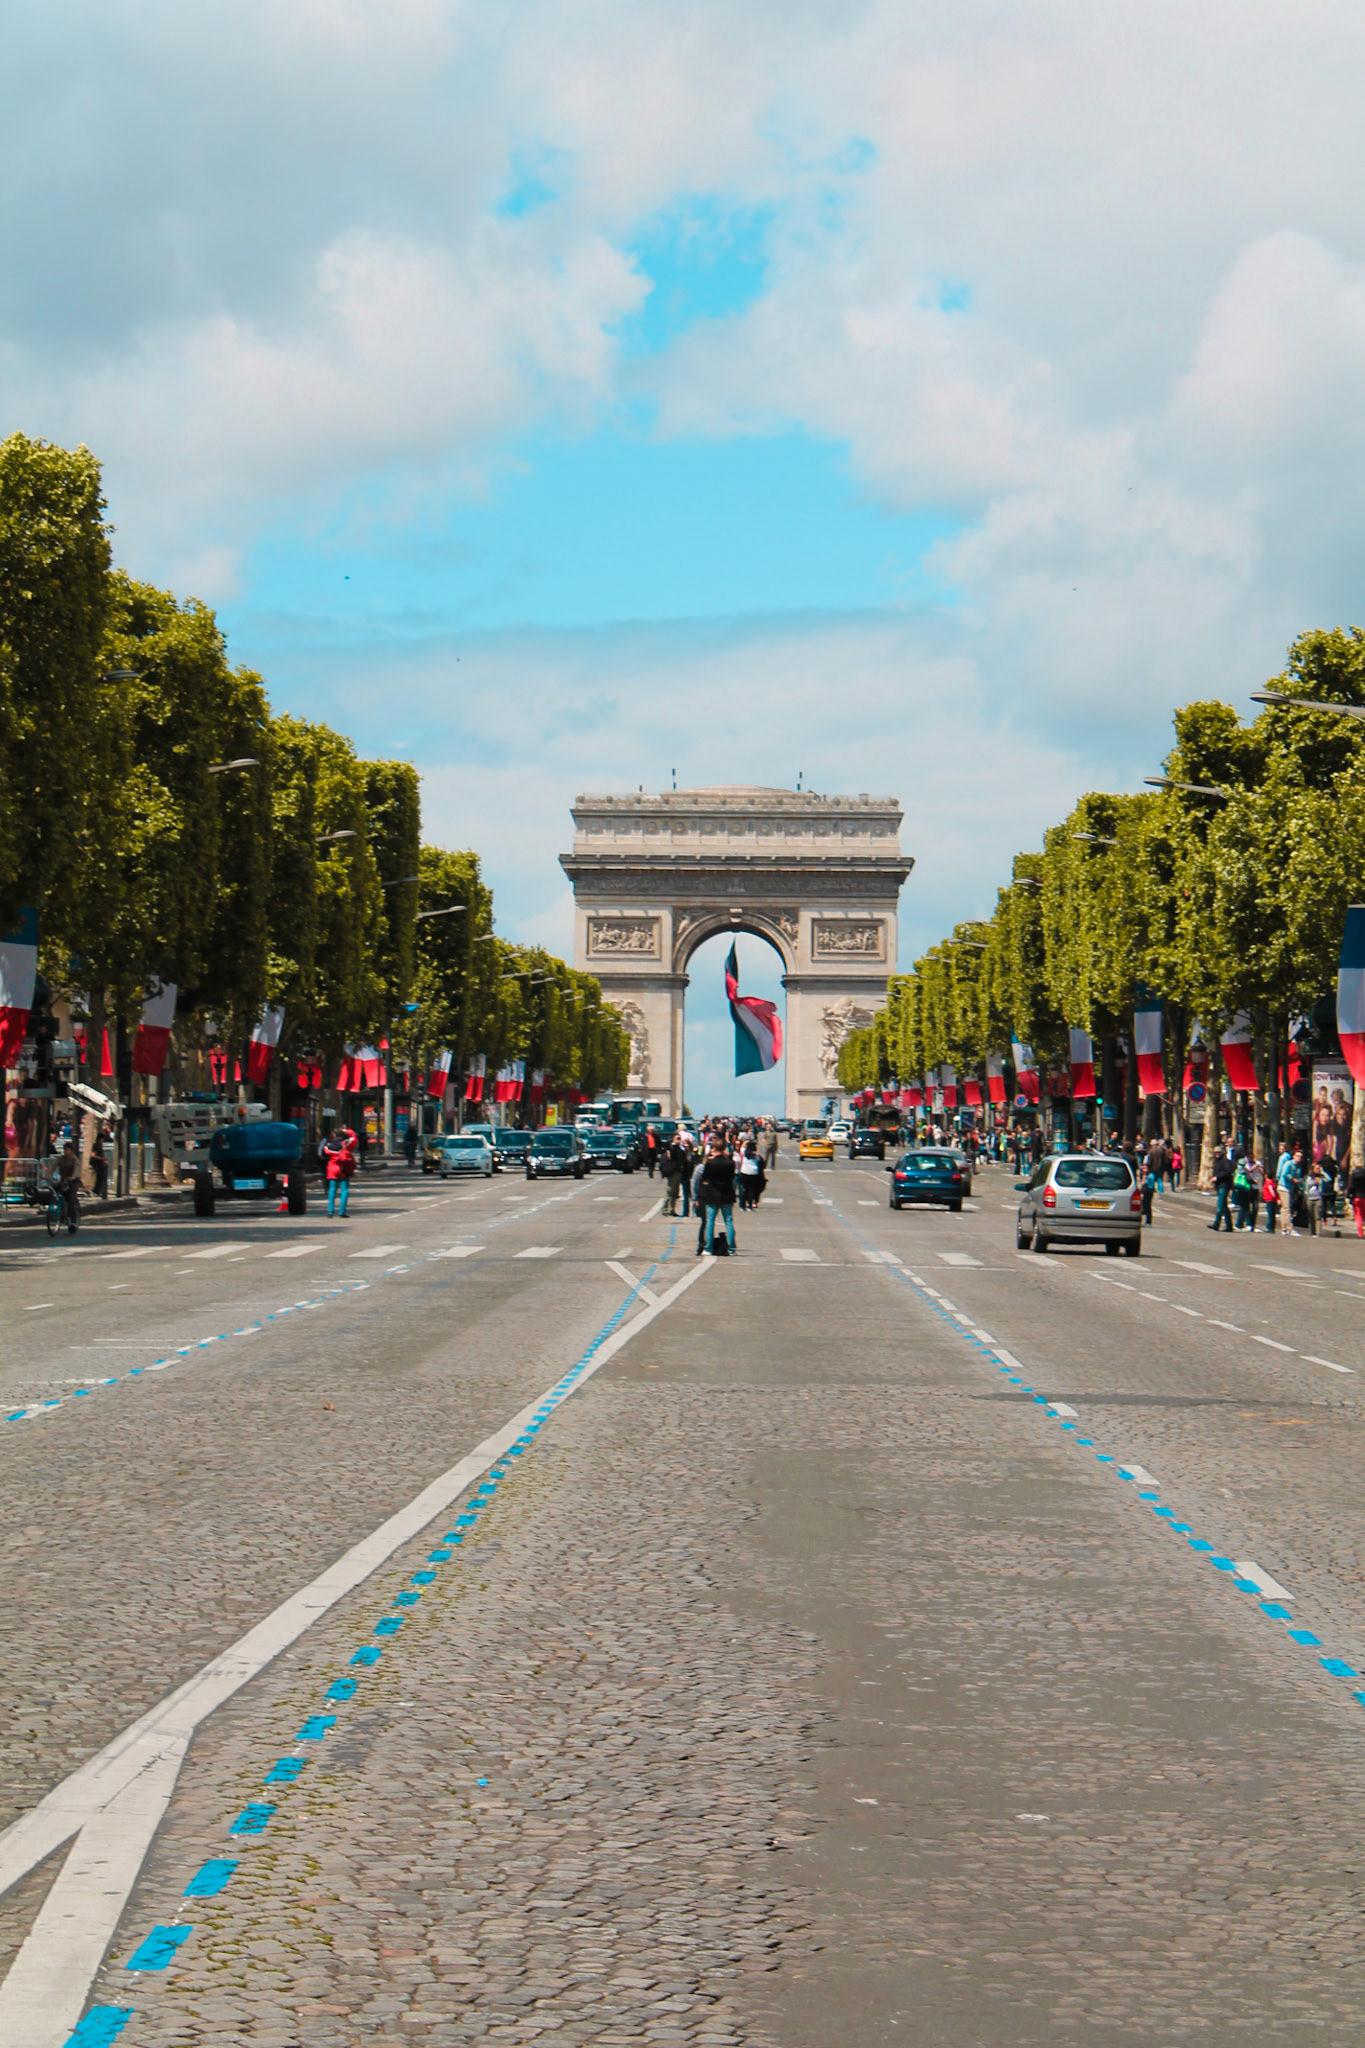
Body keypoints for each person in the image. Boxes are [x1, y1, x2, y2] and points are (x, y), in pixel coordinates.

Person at [696, 1137, 737, 1255]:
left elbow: (705, 1178)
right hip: (727, 1194)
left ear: (714, 1148)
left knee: (710, 1221)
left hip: (713, 1194)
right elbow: (731, 1178)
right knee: (728, 1221)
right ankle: (731, 1248)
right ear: (724, 1148)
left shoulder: (710, 1163)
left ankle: (708, 1248)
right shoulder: (730, 1163)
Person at [326, 1128, 357, 1216]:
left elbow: (324, 1152)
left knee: (332, 1190)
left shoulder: (329, 1146)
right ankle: (342, 1211)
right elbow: (354, 1137)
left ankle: (330, 1211)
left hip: (333, 1168)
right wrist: (348, 1131)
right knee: (345, 1190)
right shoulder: (347, 1144)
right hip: (344, 1168)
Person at [1209, 1145, 1234, 1231]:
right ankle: (1229, 1226)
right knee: (1224, 1206)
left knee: (1220, 1205)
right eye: (1215, 1152)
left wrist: (1217, 1177)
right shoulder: (1217, 1161)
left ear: (1222, 1152)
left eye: (1218, 1152)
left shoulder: (1224, 1161)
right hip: (1219, 1185)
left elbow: (1227, 1172)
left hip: (1224, 1185)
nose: (1217, 1154)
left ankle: (1216, 1224)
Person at [663, 1135, 689, 1217]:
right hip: (673, 1171)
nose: (679, 1140)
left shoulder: (680, 1149)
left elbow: (684, 1158)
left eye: (680, 1139)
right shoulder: (673, 1148)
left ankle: (672, 1209)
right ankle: (666, 1209)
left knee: (675, 1192)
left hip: (679, 1172)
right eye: (677, 1139)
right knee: (670, 1190)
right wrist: (673, 1144)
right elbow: (670, 1152)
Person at [1349, 1157, 1365, 1239]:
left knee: (1358, 1215)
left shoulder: (1354, 1174)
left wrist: (1349, 1195)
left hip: (1357, 1197)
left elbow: (1351, 1187)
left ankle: (1360, 1233)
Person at [1261, 1168, 1280, 1234]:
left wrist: (1274, 1196)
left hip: (1270, 1199)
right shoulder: (1272, 1181)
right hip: (1272, 1200)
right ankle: (1272, 1227)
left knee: (1270, 1214)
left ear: (1266, 1175)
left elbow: (1271, 1189)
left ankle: (1270, 1227)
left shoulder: (1268, 1181)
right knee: (1272, 1214)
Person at [1141, 1159, 1158, 1225]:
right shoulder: (1146, 1175)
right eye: (1143, 1168)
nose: (1144, 1169)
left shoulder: (1150, 1176)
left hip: (1148, 1192)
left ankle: (1148, 1221)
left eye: (1146, 1168)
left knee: (1147, 1206)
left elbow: (1147, 1185)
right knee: (1144, 1206)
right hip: (1146, 1191)